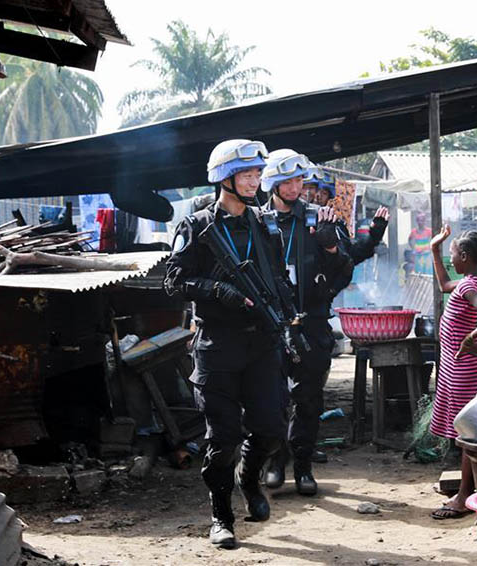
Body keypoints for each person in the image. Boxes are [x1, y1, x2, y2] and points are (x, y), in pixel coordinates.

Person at [164, 139, 293, 549]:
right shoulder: (197, 226)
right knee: (222, 441)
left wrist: (291, 318)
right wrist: (218, 291)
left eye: (257, 174)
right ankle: (221, 515)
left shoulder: (265, 225)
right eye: (247, 175)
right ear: (225, 178)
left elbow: (280, 279)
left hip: (261, 345)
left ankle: (249, 479)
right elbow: (173, 281)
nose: (255, 181)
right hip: (217, 347)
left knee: (271, 428)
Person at [260, 149, 354, 496]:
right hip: (270, 326)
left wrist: (331, 249)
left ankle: (302, 466)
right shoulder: (256, 222)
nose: (296, 186)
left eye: (300, 179)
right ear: (272, 183)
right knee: (270, 399)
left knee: (309, 399)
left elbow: (344, 273)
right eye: (288, 180)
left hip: (311, 324)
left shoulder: (320, 219)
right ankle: (274, 461)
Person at [428, 226, 477, 520]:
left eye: (453, 254)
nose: (451, 259)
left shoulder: (470, 287)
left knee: (467, 433)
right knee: (464, 431)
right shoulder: (472, 280)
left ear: (466, 256)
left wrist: (473, 337)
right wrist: (435, 248)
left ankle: (464, 496)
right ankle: (467, 490)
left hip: (463, 368)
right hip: (455, 366)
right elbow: (445, 284)